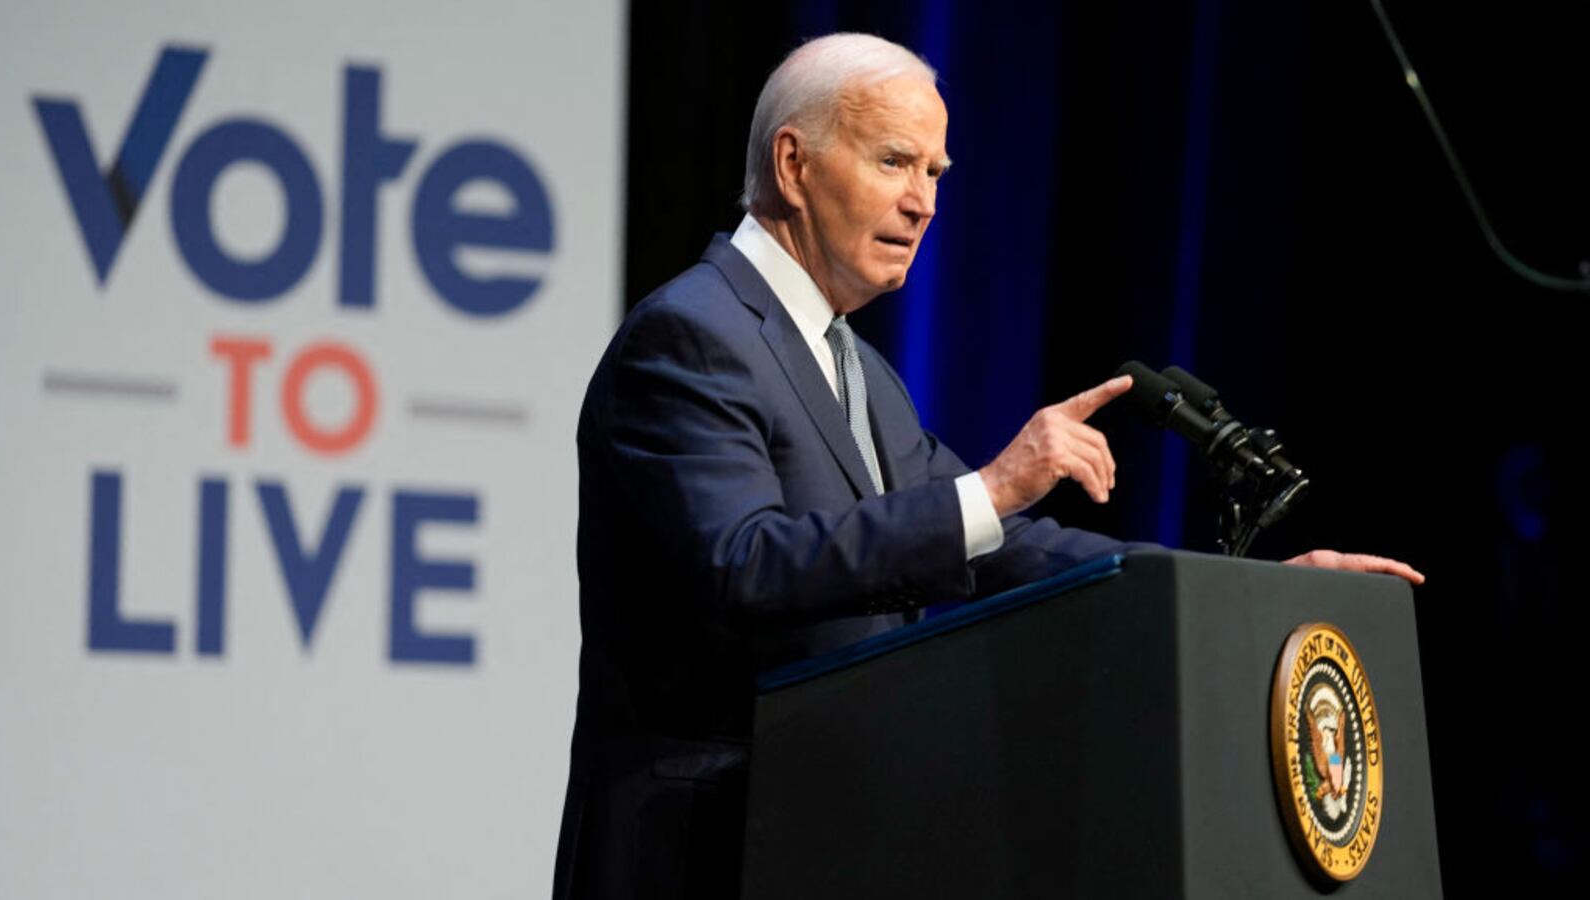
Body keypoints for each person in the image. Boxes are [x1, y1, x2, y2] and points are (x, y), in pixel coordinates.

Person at [551, 33, 1422, 900]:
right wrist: (996, 484)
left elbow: (1003, 545)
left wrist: (1240, 598)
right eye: (895, 162)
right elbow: (745, 562)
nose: (923, 202)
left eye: (935, 172)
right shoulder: (692, 337)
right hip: (699, 852)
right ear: (793, 165)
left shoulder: (862, 373)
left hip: (820, 839)